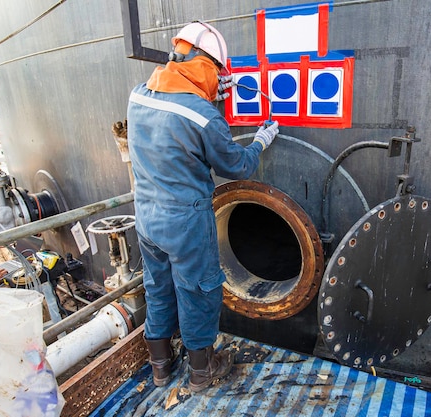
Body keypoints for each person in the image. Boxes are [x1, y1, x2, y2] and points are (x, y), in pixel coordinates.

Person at [127, 21, 279, 392]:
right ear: (205, 67)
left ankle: (161, 367)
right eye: (216, 73)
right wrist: (260, 140)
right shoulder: (204, 116)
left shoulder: (138, 95)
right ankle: (202, 371)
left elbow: (173, 118)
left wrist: (212, 92)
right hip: (185, 222)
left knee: (158, 287)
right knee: (198, 290)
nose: (218, 80)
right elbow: (237, 166)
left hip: (146, 217)